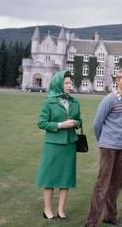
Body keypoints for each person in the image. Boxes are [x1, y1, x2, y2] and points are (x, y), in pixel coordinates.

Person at [85, 68, 122, 227]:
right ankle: (91, 222)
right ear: (117, 81)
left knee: (116, 184)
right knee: (102, 184)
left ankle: (110, 216)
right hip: (108, 147)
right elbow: (97, 123)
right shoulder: (108, 100)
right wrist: (103, 141)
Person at [35, 70, 82, 221]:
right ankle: (47, 210)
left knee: (65, 178)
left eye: (70, 83)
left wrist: (75, 122)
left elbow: (79, 120)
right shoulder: (49, 102)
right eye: (66, 83)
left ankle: (61, 210)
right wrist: (61, 125)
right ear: (58, 84)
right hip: (53, 145)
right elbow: (41, 123)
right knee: (50, 179)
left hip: (69, 144)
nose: (70, 85)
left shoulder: (75, 101)